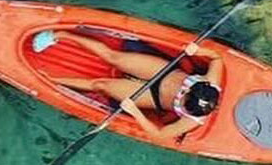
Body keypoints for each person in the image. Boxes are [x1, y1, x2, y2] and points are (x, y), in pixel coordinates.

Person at [37, 29, 225, 142]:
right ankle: (60, 35)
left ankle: (48, 79)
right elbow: (216, 58)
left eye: (184, 101)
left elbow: (160, 134)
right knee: (113, 57)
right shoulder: (212, 81)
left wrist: (135, 112)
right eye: (186, 92)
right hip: (163, 72)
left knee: (100, 84)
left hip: (152, 98)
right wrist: (199, 50)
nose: (182, 94)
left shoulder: (191, 120)